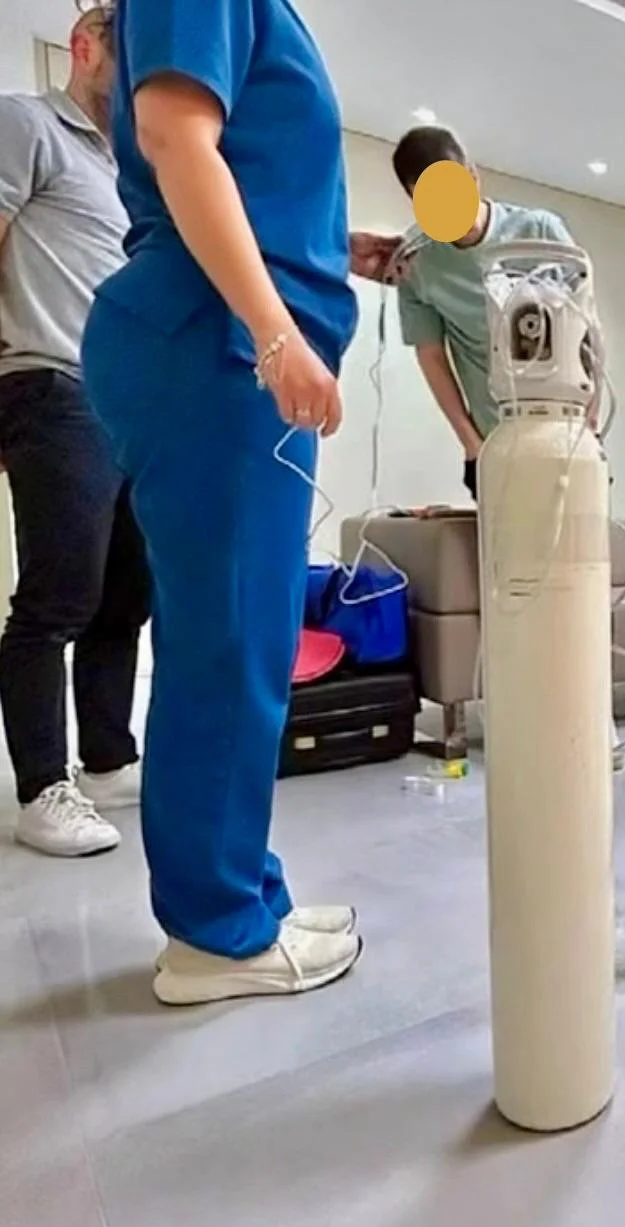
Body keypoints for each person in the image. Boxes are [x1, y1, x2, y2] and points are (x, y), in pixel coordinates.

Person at [81, 0, 363, 1005]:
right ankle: (216, 935)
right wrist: (277, 332)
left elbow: (238, 157)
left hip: (213, 338)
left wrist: (337, 250)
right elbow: (170, 133)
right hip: (214, 345)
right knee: (228, 647)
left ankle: (246, 898)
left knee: (240, 642)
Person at [0, 4, 150, 857]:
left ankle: (104, 760)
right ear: (85, 46)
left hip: (126, 402)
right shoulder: (26, 123)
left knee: (124, 598)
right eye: (128, 54)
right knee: (56, 598)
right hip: (51, 383)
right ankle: (41, 789)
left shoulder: (125, 168)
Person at [390, 124, 598, 501]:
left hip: (564, 431)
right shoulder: (416, 262)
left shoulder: (539, 231)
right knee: (502, 557)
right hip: (493, 439)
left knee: (576, 555)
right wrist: (471, 443)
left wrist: (590, 425)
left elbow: (587, 332)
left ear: (473, 175)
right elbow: (431, 355)